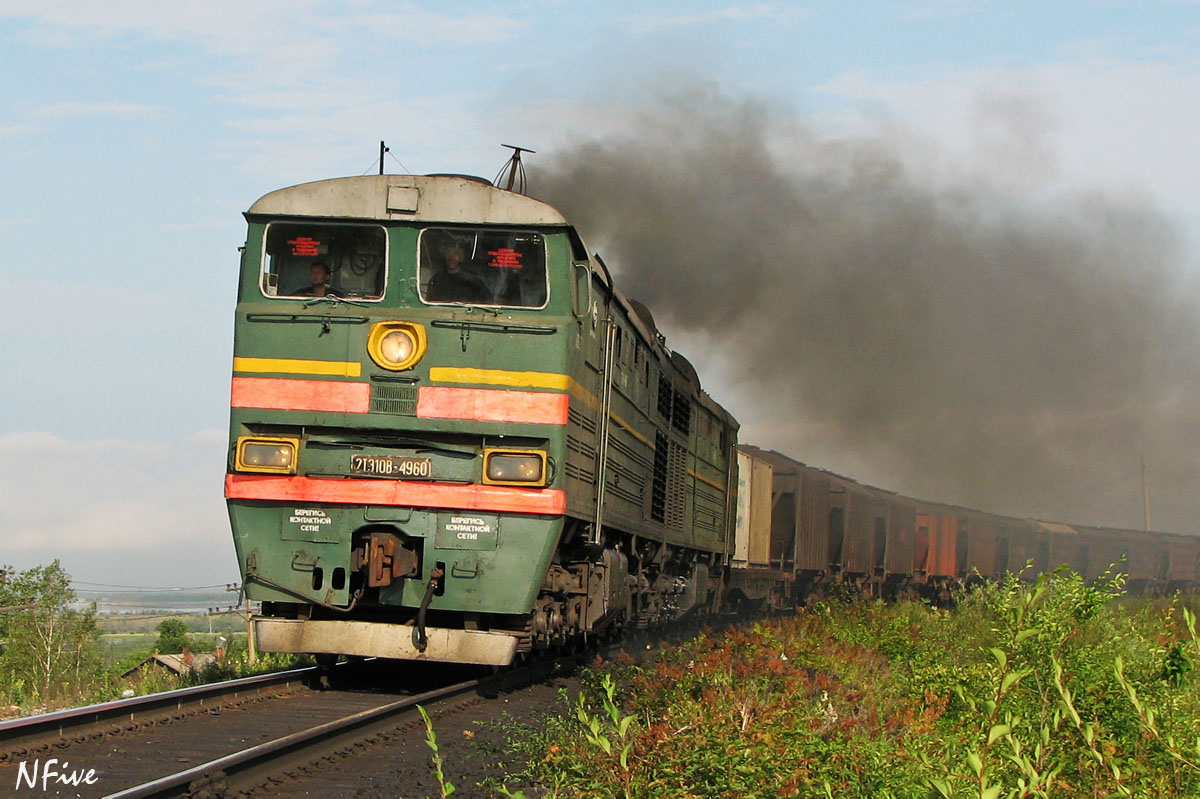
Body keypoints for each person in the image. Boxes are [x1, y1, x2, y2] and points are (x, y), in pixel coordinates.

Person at [425, 240, 489, 303]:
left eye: (455, 255)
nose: (451, 258)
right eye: (448, 254)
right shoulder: (437, 279)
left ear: (461, 258)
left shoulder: (472, 280)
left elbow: (484, 300)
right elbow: (430, 300)